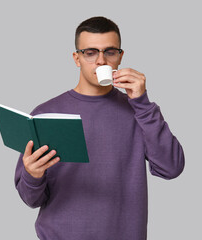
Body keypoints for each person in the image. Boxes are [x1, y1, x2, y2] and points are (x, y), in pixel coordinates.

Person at [14, 16, 185, 240]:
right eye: (90, 52)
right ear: (77, 58)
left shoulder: (139, 110)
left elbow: (171, 168)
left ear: (120, 57)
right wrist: (32, 175)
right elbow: (30, 199)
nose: (101, 61)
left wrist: (142, 102)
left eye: (110, 52)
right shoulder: (45, 114)